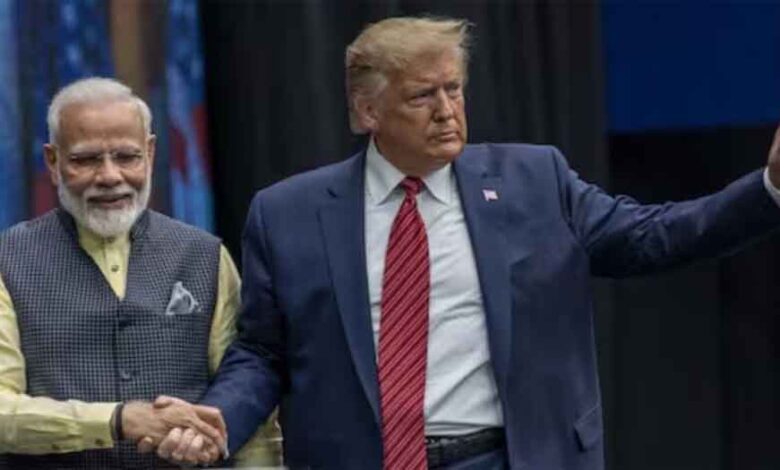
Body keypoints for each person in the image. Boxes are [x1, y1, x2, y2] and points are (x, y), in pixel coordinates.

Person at [161, 16, 780, 469]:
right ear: (367, 112)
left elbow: (653, 237)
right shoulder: (287, 214)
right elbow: (263, 351)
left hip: (510, 456)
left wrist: (770, 187)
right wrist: (222, 416)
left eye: (453, 89)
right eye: (422, 95)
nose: (446, 110)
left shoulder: (534, 180)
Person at [0, 77, 280, 468]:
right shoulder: (8, 258)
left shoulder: (204, 254)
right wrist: (118, 420)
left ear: (149, 153)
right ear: (53, 162)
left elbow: (247, 403)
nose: (110, 176)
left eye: (127, 157)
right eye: (85, 160)